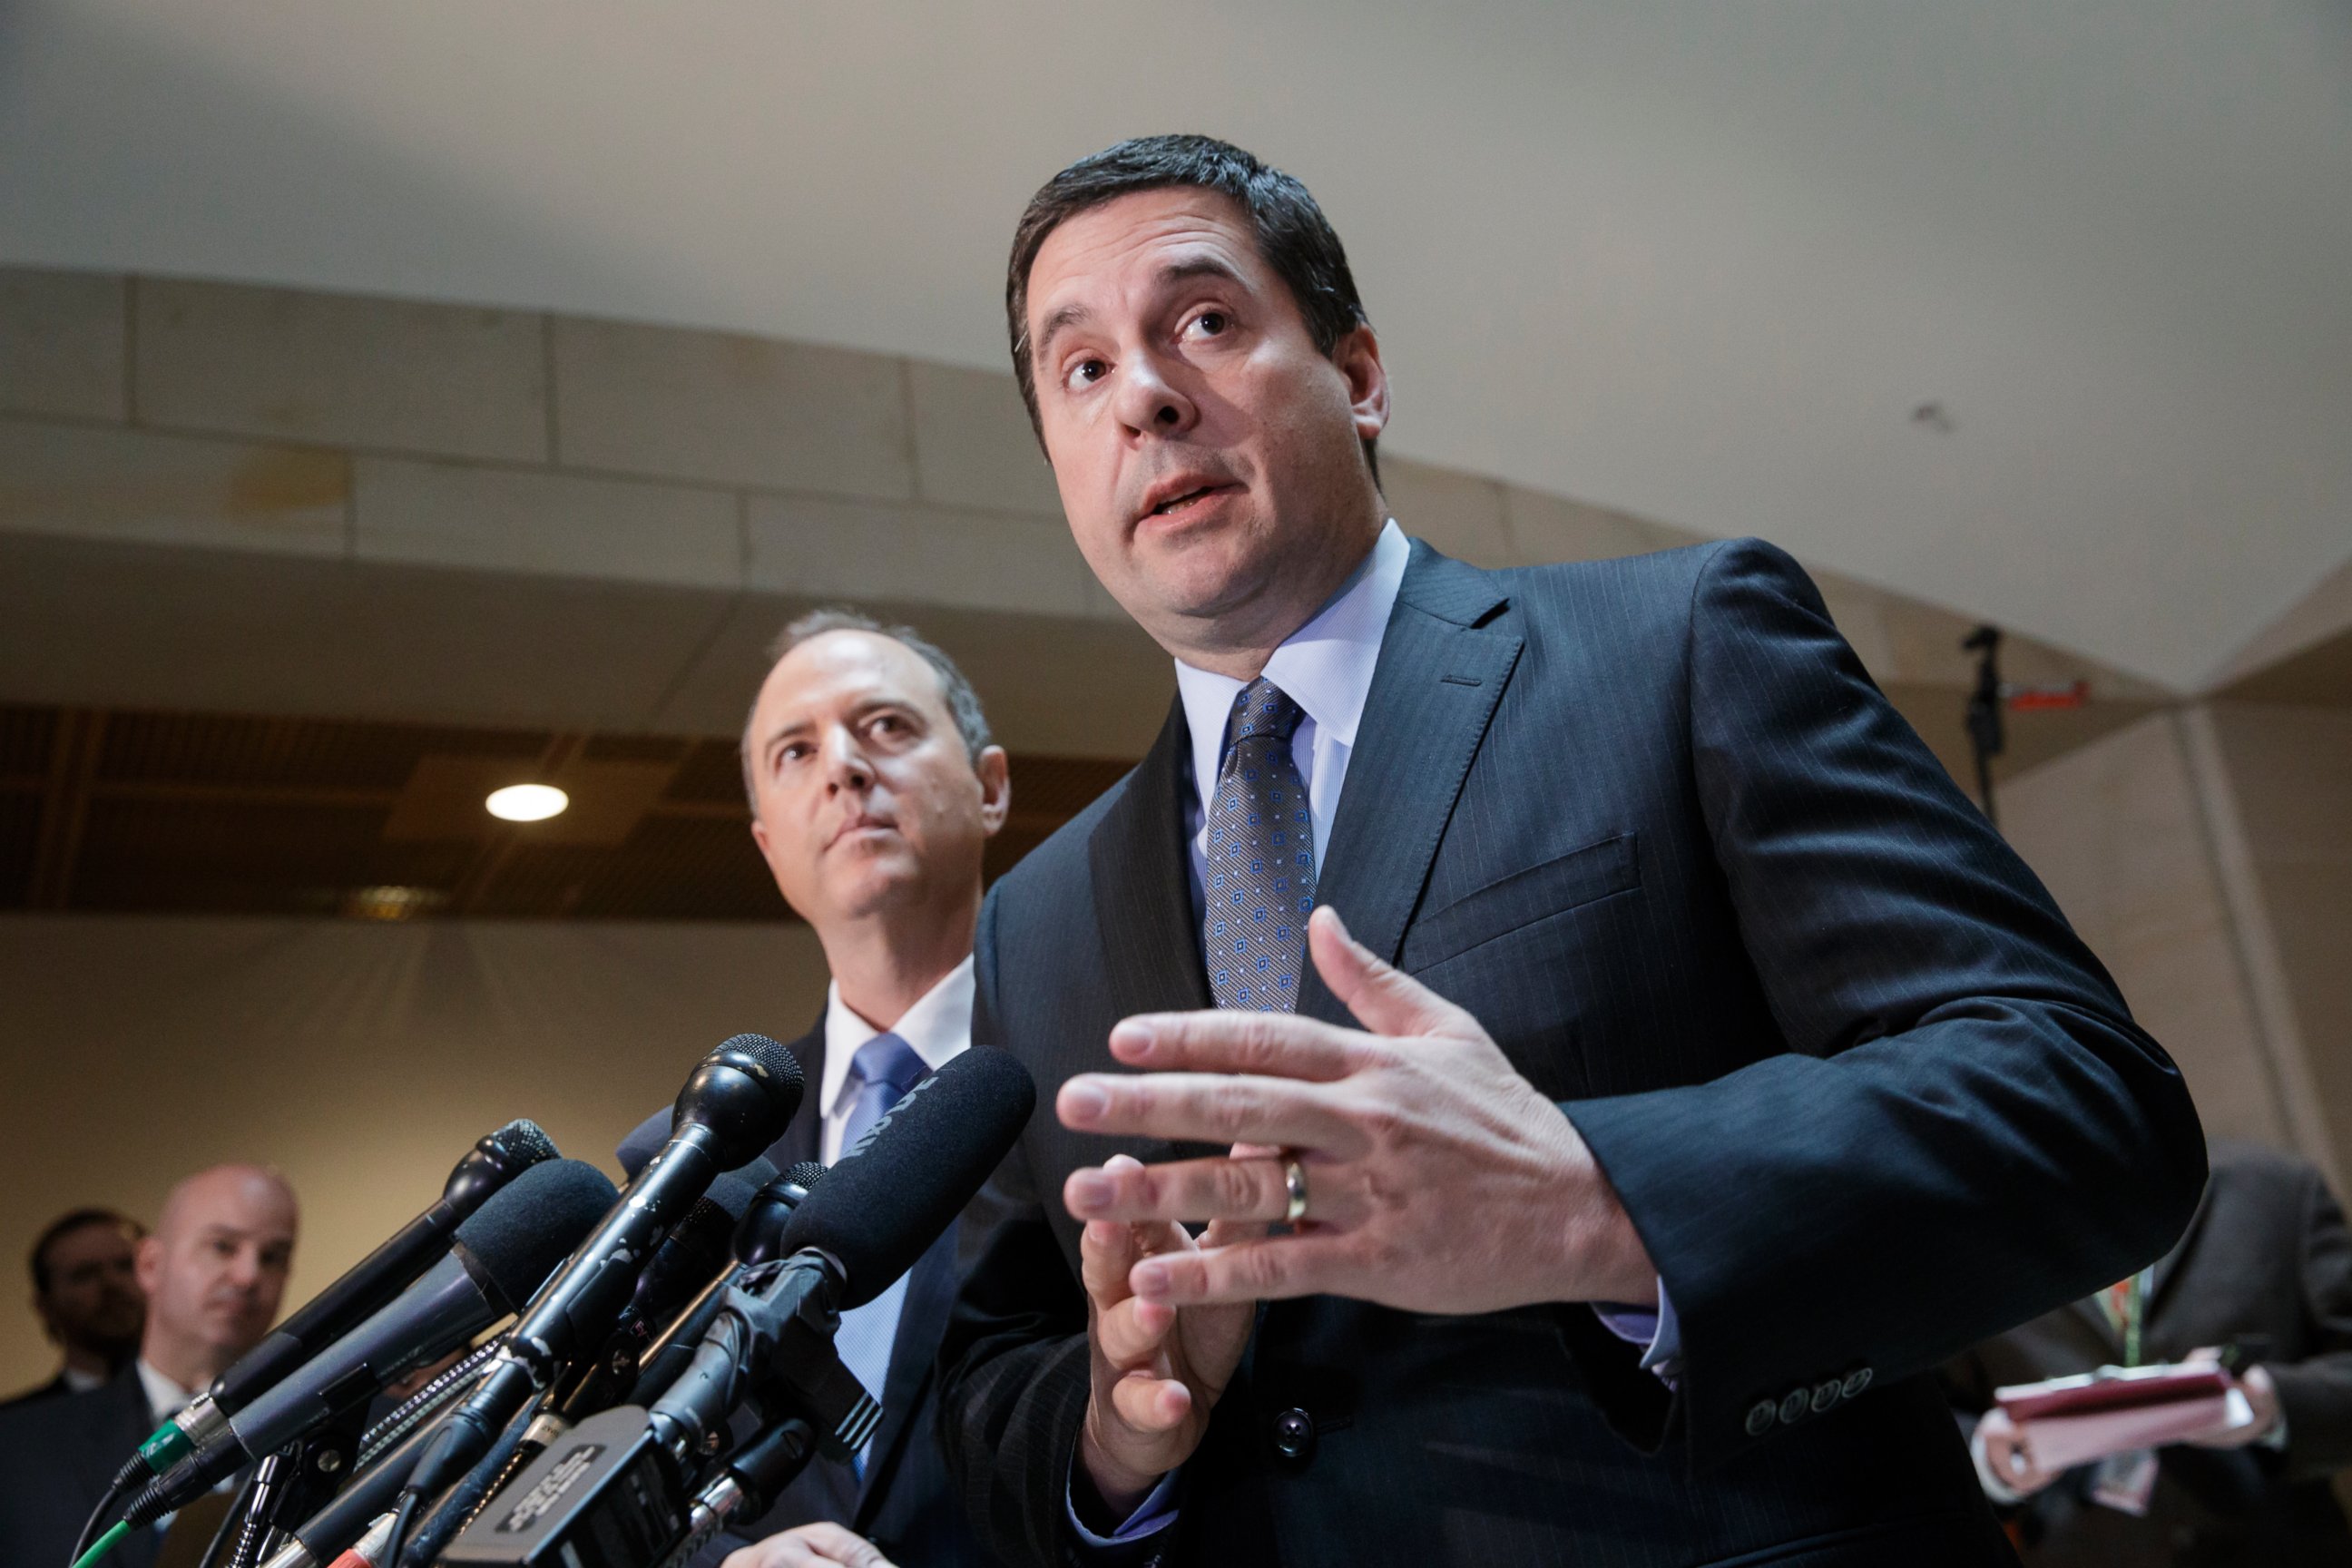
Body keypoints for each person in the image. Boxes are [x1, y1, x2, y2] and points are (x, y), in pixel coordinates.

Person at [933, 133, 2210, 1567]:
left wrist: (1599, 1201)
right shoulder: (1030, 921)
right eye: (1080, 369)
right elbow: (991, 1383)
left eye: (1206, 323)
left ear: (1358, 376)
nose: (1148, 398)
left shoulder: (1679, 644)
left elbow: (2086, 1103)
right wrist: (1118, 1428)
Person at [616, 610, 1013, 1568]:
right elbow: (621, 1490)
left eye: (886, 727)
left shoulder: (1092, 1089)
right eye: (796, 752)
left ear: (990, 786)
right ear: (767, 846)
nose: (842, 767)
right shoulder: (699, 1157)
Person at [1946, 1140, 2352, 1565]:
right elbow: (1924, 1415)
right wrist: (1987, 1460)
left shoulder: (2277, 1191)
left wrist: (2272, 1405)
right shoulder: (1966, 1239)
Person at [0, 1164, 298, 1568]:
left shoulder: (327, 1431)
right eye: (223, 1247)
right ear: (150, 1266)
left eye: (273, 1257)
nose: (249, 1276)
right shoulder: (18, 1447)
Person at [3, 1207, 146, 1408]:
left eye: (126, 1265)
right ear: (45, 1307)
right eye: (85, 1274)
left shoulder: (201, 1402)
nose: (112, 1283)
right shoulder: (15, 1427)